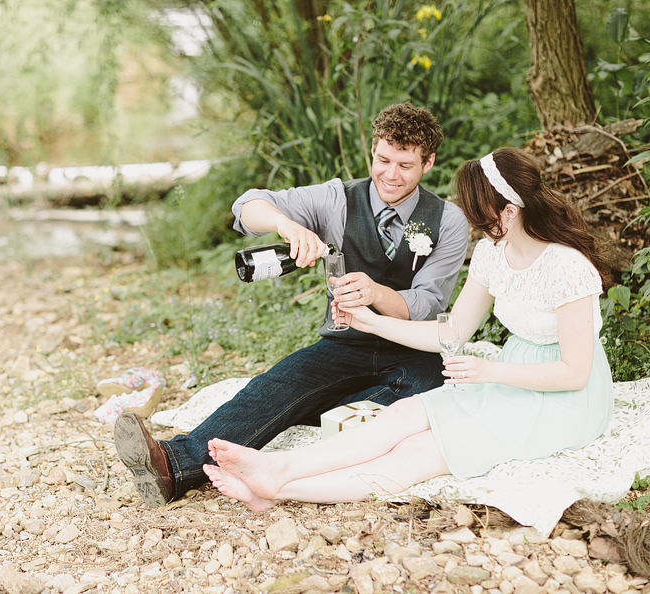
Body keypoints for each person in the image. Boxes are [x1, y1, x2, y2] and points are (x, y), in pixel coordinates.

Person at [201, 146, 615, 511]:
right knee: (400, 416)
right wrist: (370, 320)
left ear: (508, 210)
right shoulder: (493, 253)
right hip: (512, 377)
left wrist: (491, 372)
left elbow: (574, 373)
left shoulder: (567, 268)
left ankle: (275, 492)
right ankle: (276, 468)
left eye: (478, 213)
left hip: (564, 399)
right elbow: (448, 332)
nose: (472, 223)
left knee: (416, 452)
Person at [114, 102, 469, 508]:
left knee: (423, 396)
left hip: (413, 349)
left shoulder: (449, 220)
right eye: (382, 159)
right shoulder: (336, 199)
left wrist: (375, 294)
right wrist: (285, 224)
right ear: (372, 149)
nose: (390, 174)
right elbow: (248, 205)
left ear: (428, 163)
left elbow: (426, 304)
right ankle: (174, 465)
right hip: (344, 342)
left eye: (405, 165)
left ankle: (304, 437)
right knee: (277, 386)